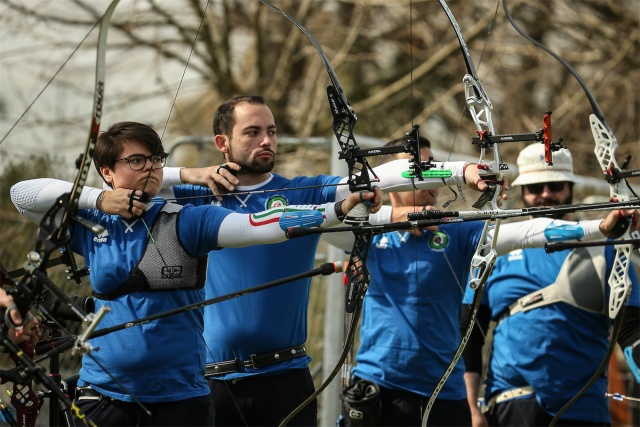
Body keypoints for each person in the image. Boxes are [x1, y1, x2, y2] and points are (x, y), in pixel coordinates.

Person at [144, 95, 499, 426]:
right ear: (223, 144)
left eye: (271, 131)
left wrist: (461, 171)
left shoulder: (302, 191)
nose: (266, 141)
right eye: (252, 133)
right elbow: (128, 179)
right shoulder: (197, 197)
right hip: (213, 380)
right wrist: (190, 173)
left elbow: (383, 177)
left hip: (285, 379)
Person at [9, 121, 382, 426]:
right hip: (104, 395)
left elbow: (262, 224)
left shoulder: (187, 220)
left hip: (179, 398)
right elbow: (21, 195)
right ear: (107, 170)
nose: (151, 168)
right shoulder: (90, 221)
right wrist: (99, 198)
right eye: (137, 160)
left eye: (156, 159)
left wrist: (338, 208)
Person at [343, 137, 637, 426]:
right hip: (382, 387)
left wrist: (598, 227)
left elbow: (531, 229)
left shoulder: (458, 231)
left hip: (448, 395)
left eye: (433, 168)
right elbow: (329, 213)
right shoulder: (365, 230)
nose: (429, 176)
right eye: (416, 171)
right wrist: (394, 215)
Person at [462, 143, 640, 427]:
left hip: (582, 408)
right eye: (536, 187)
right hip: (511, 404)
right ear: (522, 192)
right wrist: (470, 408)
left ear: (570, 186)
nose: (545, 194)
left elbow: (632, 330)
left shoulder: (606, 249)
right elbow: (469, 334)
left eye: (554, 185)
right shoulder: (494, 249)